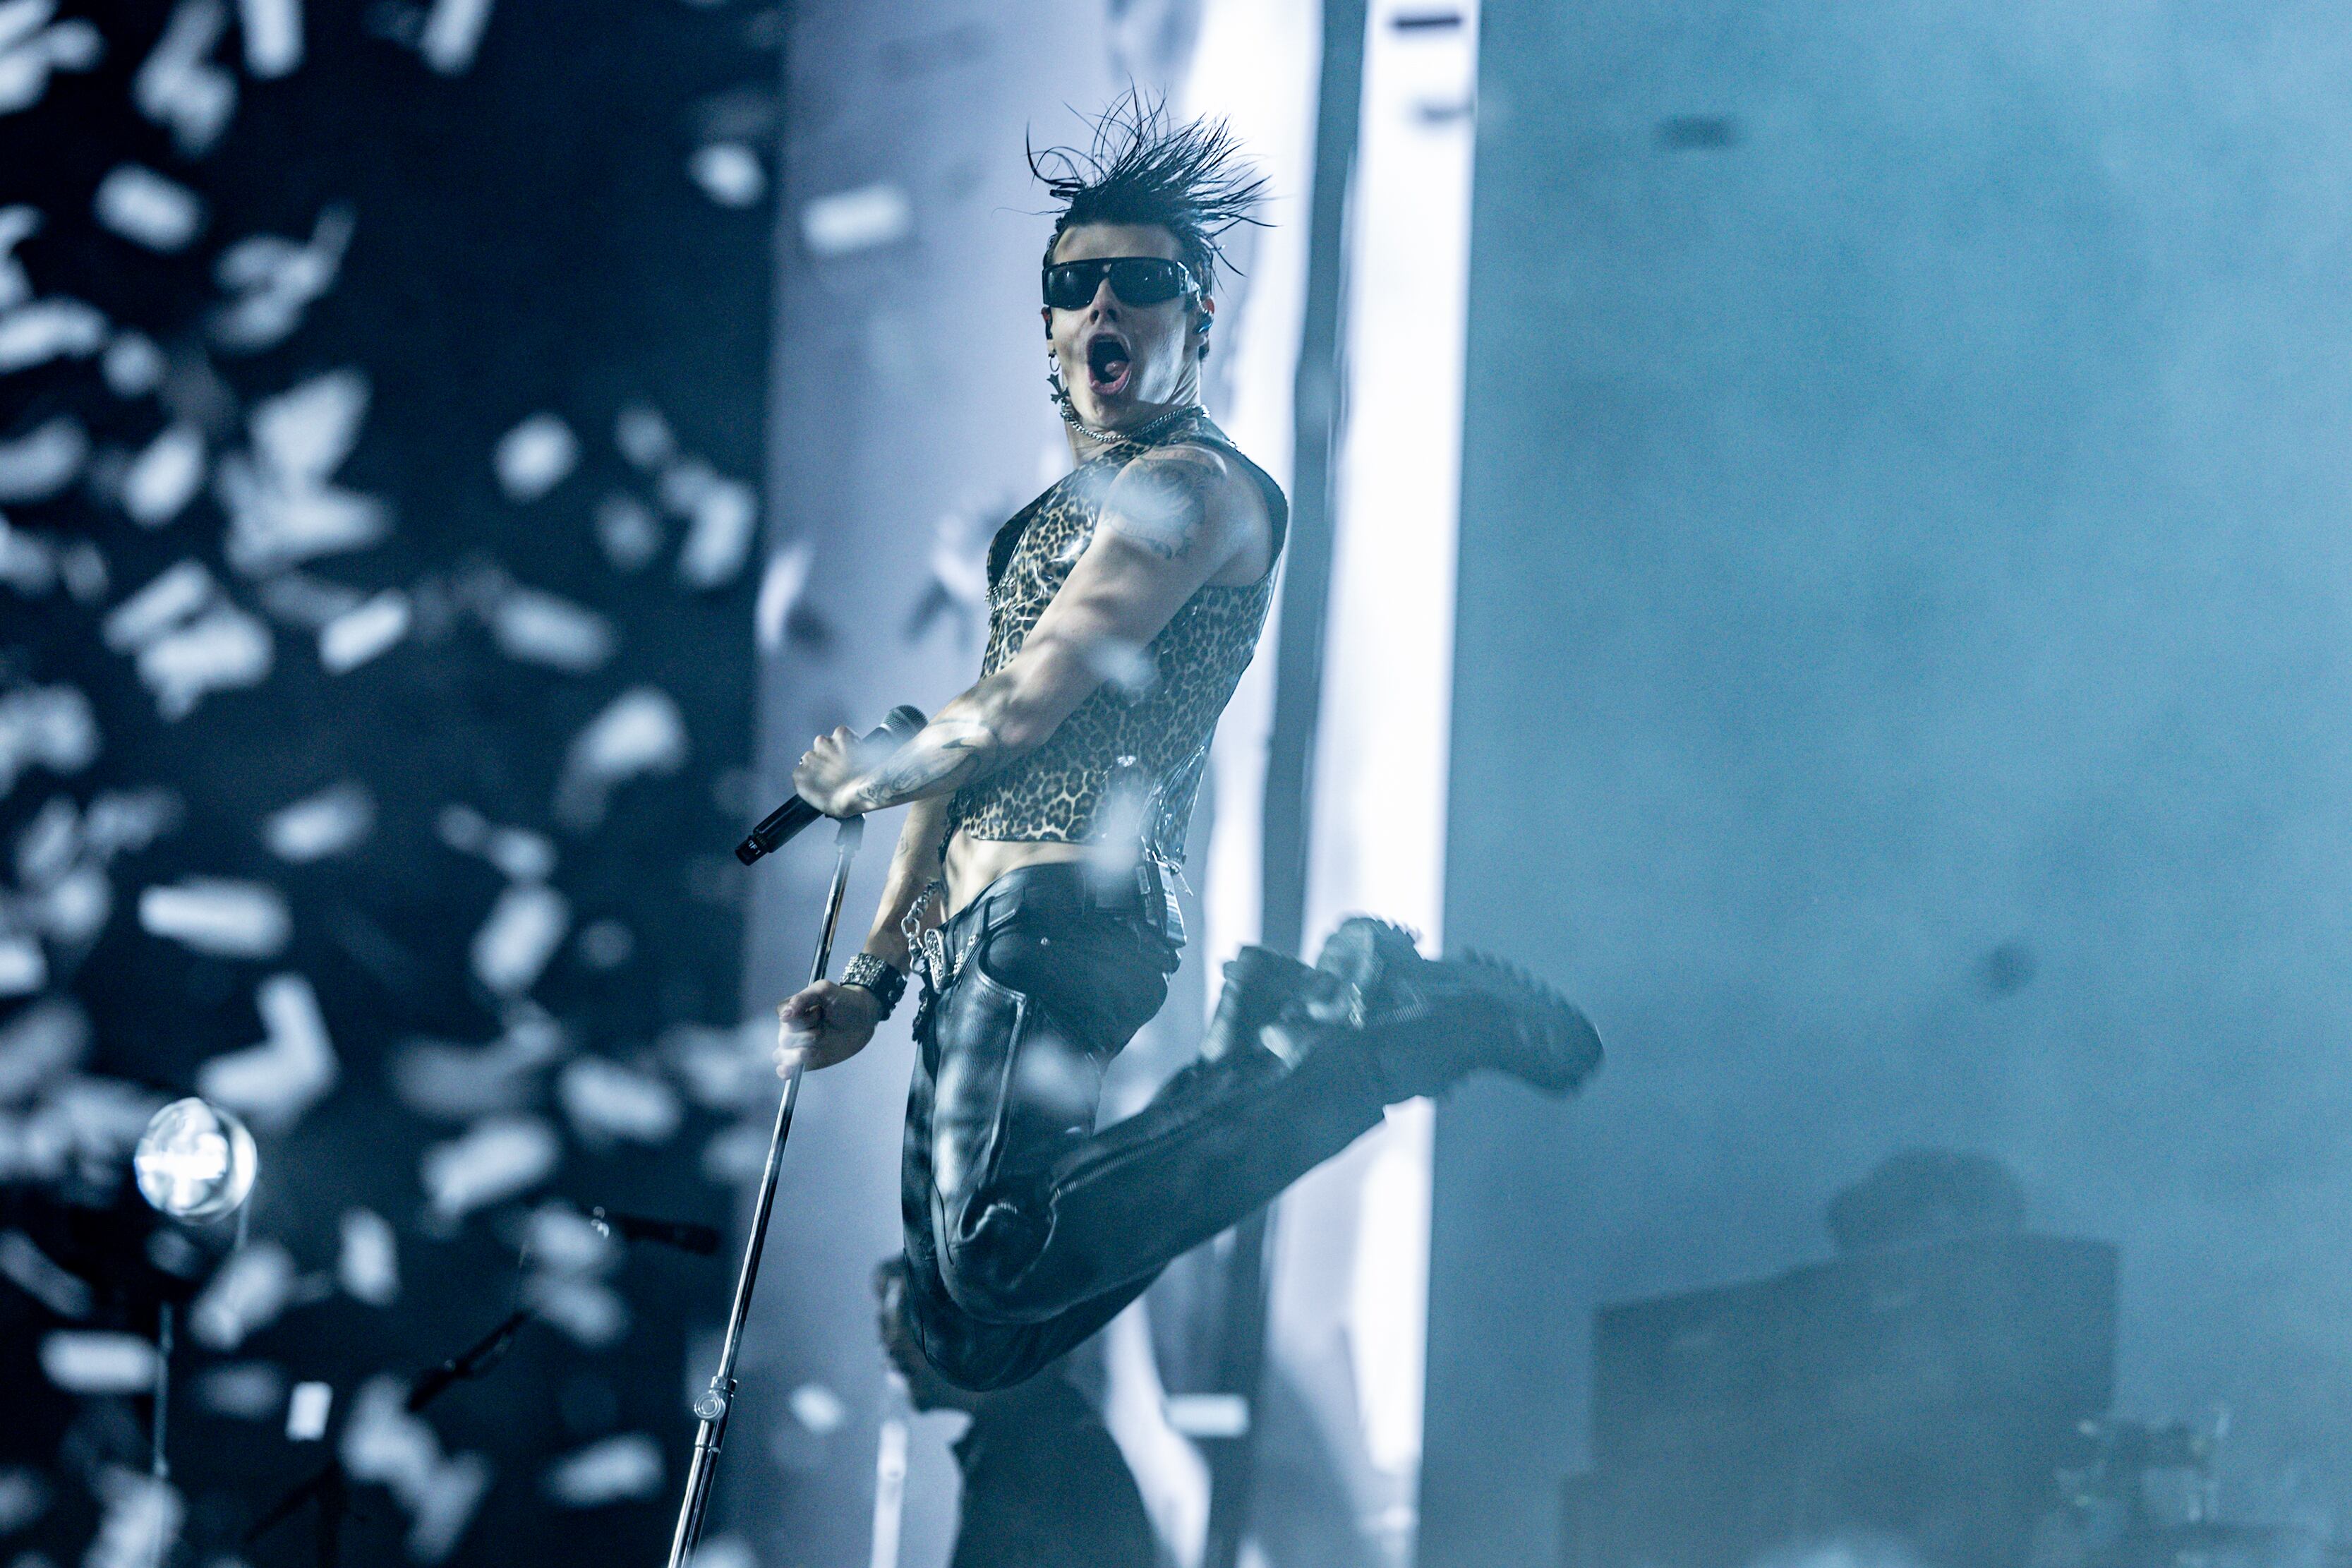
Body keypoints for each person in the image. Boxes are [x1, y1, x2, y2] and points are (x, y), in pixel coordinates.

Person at [778, 97, 1603, 1392]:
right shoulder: (1054, 516)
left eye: (1141, 283)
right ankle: (1267, 1045)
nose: (1103, 308)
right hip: (971, 937)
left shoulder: (1187, 490)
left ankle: (1374, 1037)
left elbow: (1024, 707)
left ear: (1197, 317)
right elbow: (971, 751)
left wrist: (868, 774)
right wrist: (877, 979)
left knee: (996, 1261)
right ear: (1047, 325)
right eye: (1075, 284)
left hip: (1066, 910)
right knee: (956, 1332)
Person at [874, 1258, 1157, 1568]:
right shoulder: (1034, 1435)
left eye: (909, 1322)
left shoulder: (1043, 1456)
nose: (891, 1348)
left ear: (967, 1327)